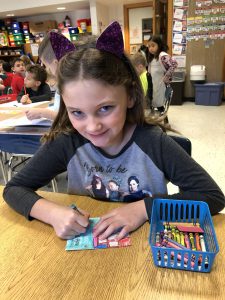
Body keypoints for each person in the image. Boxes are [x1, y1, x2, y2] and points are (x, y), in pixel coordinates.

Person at [3, 22, 225, 242]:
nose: (92, 127)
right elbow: (14, 189)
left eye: (105, 108)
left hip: (143, 256)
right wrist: (53, 213)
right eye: (77, 112)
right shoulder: (68, 142)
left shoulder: (152, 142)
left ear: (129, 96)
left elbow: (212, 197)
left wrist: (144, 210)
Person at [24, 31, 75, 121]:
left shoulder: (70, 85)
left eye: (47, 66)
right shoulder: (65, 82)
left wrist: (42, 113)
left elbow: (69, 119)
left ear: (56, 63)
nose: (48, 70)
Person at [147, 35, 178, 113]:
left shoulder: (162, 56)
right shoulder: (152, 57)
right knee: (153, 101)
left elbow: (174, 64)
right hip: (153, 83)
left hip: (160, 84)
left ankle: (162, 117)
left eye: (153, 46)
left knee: (159, 103)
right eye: (149, 46)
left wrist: (166, 77)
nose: (150, 48)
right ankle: (155, 118)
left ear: (159, 45)